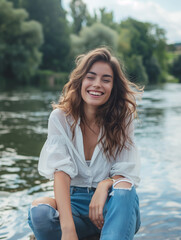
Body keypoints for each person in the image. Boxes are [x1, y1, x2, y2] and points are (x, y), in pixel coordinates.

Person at [28, 47, 142, 240]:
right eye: (91, 77)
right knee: (39, 212)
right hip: (75, 207)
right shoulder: (60, 118)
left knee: (123, 187)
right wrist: (68, 230)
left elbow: (126, 172)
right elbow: (61, 172)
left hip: (113, 205)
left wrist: (104, 185)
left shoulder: (123, 118)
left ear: (113, 87)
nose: (97, 84)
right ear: (81, 80)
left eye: (106, 80)